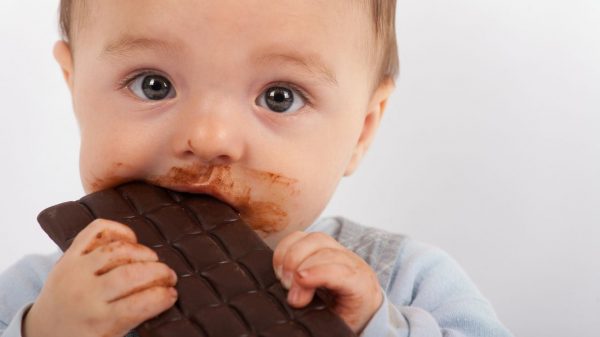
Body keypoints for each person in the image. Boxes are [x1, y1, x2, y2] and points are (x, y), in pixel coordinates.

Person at [0, 1, 513, 336]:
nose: (209, 139)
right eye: (152, 84)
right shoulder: (43, 292)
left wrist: (376, 327)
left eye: (279, 96)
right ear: (73, 87)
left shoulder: (406, 280)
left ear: (361, 130)